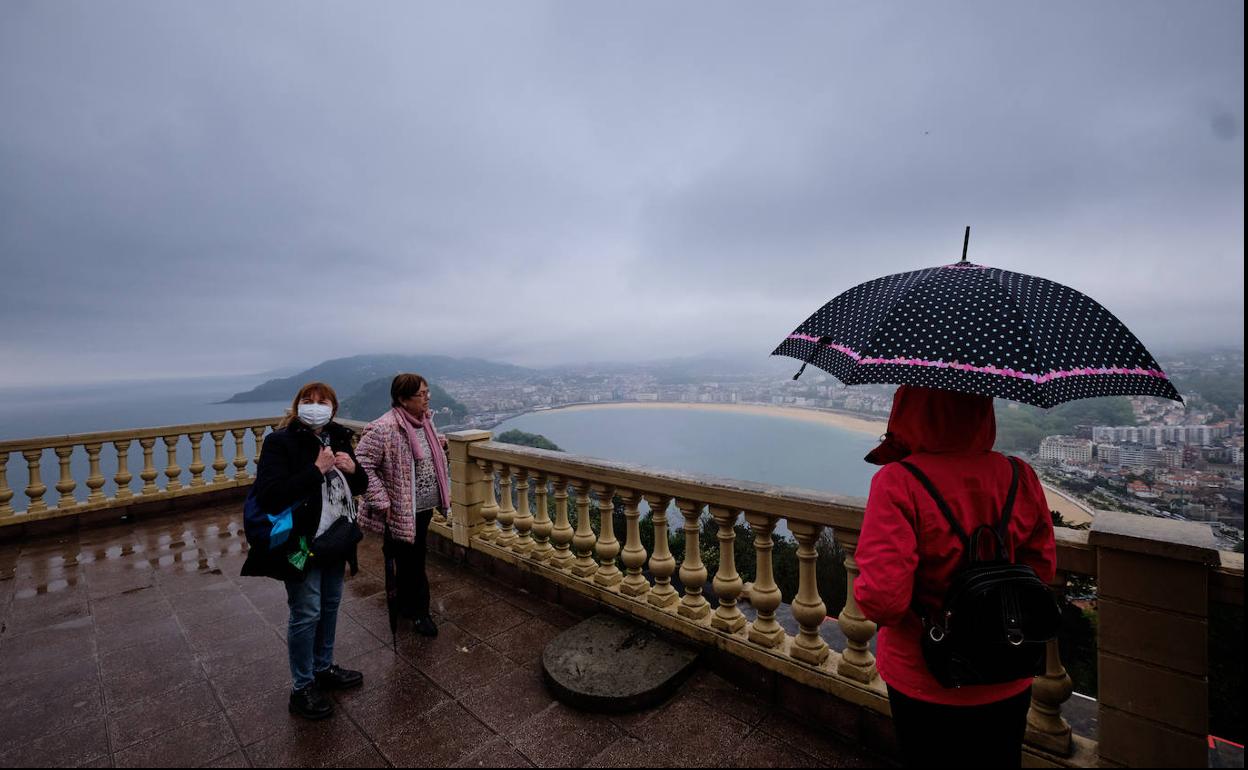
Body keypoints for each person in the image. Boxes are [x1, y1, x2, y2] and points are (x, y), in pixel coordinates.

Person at [853, 385, 1056, 768]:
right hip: (1009, 664)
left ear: (908, 412)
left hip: (924, 673)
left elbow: (884, 601)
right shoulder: (1019, 475)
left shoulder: (899, 481)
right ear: (982, 408)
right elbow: (1041, 571)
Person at [241, 381, 368, 720]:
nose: (315, 405)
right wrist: (316, 470)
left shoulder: (338, 436)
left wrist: (355, 471)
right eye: (308, 400)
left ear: (333, 407)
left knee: (329, 605)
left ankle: (323, 668)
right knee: (306, 610)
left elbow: (358, 486)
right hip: (300, 541)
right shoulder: (279, 442)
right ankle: (302, 686)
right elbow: (270, 495)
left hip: (336, 537)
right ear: (297, 406)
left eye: (322, 400)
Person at [355, 373, 450, 637]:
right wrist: (381, 500)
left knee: (409, 556)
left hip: (423, 507)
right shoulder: (384, 428)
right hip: (401, 509)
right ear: (402, 399)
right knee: (413, 560)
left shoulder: (424, 423)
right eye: (421, 394)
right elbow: (361, 464)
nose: (427, 398)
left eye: (427, 392)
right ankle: (420, 613)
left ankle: (405, 604)